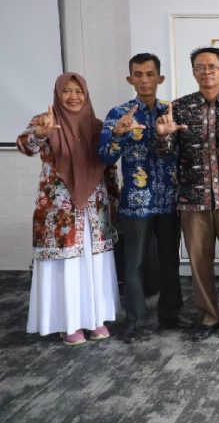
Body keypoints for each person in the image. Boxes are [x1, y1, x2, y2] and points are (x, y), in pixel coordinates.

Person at [154, 47, 219, 344]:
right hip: (193, 199)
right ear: (193, 72)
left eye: (212, 66)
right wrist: (163, 136)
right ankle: (208, 317)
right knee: (199, 262)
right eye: (200, 67)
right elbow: (166, 154)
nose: (206, 71)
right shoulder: (179, 107)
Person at [19, 72, 120, 345]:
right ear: (57, 94)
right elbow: (25, 145)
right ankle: (69, 323)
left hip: (94, 209)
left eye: (78, 91)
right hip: (59, 211)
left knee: (94, 263)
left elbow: (108, 166)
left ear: (86, 95)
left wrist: (115, 202)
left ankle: (95, 317)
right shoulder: (45, 121)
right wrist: (40, 134)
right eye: (67, 91)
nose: (73, 96)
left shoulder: (97, 126)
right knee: (66, 265)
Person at [98, 53, 190, 344]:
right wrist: (118, 134)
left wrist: (165, 136)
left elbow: (180, 153)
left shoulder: (171, 111)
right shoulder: (119, 113)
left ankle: (170, 313)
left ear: (160, 78)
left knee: (169, 260)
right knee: (134, 263)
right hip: (136, 202)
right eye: (138, 74)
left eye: (150, 74)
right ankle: (135, 320)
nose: (144, 80)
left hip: (168, 200)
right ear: (130, 79)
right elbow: (105, 157)